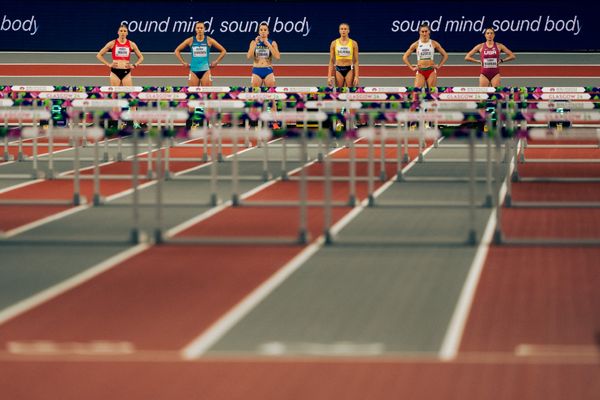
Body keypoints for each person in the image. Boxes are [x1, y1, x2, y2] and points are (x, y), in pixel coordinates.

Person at [174, 21, 227, 86]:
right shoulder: (190, 40)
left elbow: (223, 51)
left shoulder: (209, 40)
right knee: (193, 94)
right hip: (193, 70)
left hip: (205, 71)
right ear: (195, 29)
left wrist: (216, 61)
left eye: (201, 28)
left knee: (207, 94)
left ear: (204, 29)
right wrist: (183, 62)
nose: (199, 30)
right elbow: (177, 50)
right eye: (198, 28)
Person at [402, 23, 448, 89]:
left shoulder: (434, 43)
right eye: (422, 31)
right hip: (420, 71)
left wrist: (438, 66)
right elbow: (404, 57)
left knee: (431, 94)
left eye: (426, 31)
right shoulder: (416, 44)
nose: (424, 33)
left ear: (429, 31)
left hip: (431, 71)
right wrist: (412, 68)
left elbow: (445, 55)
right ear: (419, 32)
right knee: (417, 93)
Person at [247, 23, 280, 87]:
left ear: (268, 32)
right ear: (259, 32)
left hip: (268, 71)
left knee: (271, 95)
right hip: (256, 70)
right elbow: (248, 56)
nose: (263, 31)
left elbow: (277, 57)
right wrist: (255, 44)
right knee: (255, 95)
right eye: (261, 30)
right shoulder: (253, 42)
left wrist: (269, 45)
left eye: (265, 30)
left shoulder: (273, 43)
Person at [327, 23, 360, 88]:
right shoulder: (334, 43)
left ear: (348, 31)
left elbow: (356, 61)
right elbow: (331, 61)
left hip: (349, 69)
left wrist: (357, 76)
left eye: (345, 29)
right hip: (338, 69)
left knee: (350, 91)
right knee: (339, 91)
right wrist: (329, 76)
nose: (343, 31)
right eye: (341, 29)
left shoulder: (354, 43)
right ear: (339, 31)